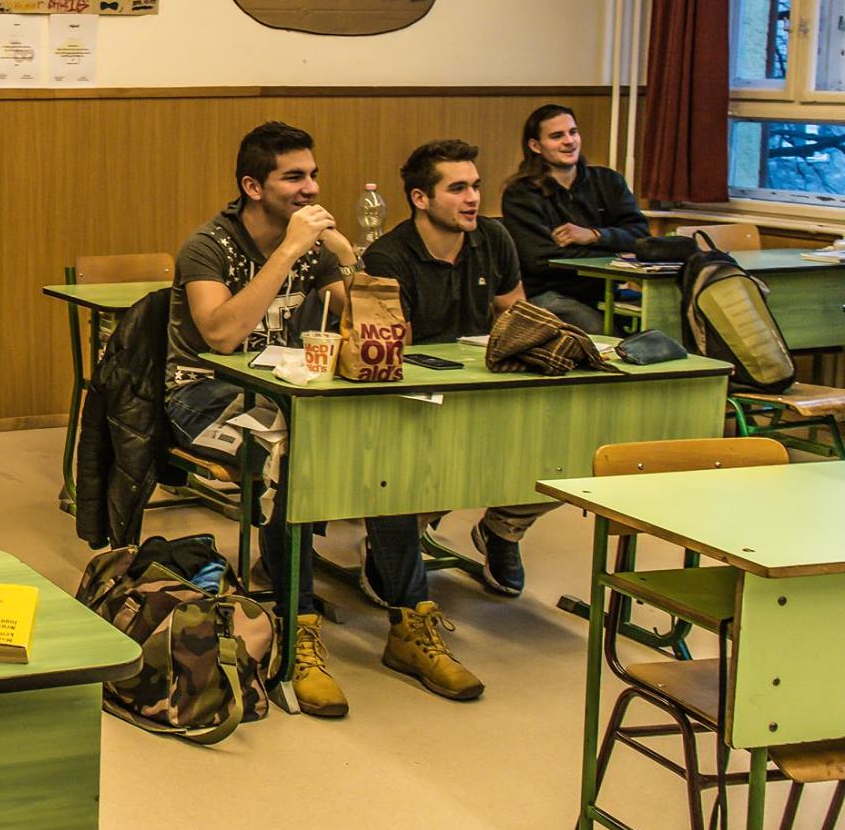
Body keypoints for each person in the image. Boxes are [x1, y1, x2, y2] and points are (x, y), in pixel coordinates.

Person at [164, 121, 474, 719]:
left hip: (286, 394)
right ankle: (296, 628)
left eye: (313, 175)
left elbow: (379, 330)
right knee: (291, 459)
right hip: (203, 395)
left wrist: (349, 259)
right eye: (294, 177)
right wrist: (287, 252)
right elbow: (222, 335)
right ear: (253, 186)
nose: (310, 189)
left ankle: (410, 622)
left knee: (384, 449)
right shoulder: (209, 245)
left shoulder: (316, 252)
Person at [364, 138, 552, 612]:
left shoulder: (494, 238)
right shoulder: (388, 256)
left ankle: (502, 529)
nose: (472, 198)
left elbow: (517, 317)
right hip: (420, 398)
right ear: (420, 198)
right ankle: (397, 536)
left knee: (567, 450)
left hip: (485, 385)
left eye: (475, 186)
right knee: (433, 465)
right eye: (457, 189)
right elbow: (397, 355)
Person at [500, 104, 648, 333]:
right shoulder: (521, 194)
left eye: (573, 132)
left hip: (607, 291)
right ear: (535, 146)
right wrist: (617, 253)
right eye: (557, 136)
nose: (569, 141)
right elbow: (541, 260)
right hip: (548, 294)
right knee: (604, 334)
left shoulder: (609, 181)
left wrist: (595, 236)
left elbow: (641, 236)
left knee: (662, 321)